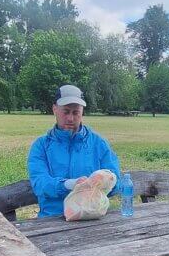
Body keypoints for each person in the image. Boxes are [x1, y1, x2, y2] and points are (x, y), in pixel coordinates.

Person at [27, 84, 121, 218]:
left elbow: (116, 181)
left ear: (82, 112)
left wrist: (104, 182)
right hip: (52, 219)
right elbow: (40, 183)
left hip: (92, 217)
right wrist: (69, 184)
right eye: (66, 112)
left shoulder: (99, 143)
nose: (70, 118)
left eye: (75, 112)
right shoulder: (41, 146)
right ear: (54, 109)